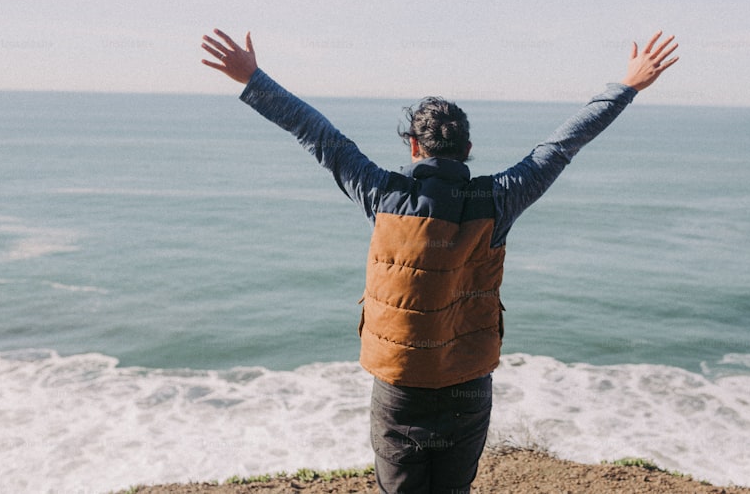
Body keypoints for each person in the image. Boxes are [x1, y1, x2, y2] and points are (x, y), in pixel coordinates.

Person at [200, 28, 679, 494]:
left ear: (413, 147)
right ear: (467, 152)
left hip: (400, 385)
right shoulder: (499, 199)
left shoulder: (383, 192)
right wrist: (628, 86)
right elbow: (562, 145)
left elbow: (320, 136)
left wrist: (253, 78)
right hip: (467, 382)